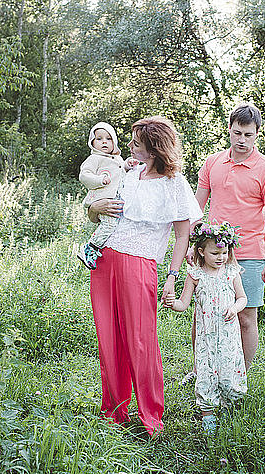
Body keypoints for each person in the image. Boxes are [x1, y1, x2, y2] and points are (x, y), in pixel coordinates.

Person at [88, 116, 203, 437]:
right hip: (105, 259)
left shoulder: (174, 184)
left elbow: (183, 236)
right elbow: (97, 211)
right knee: (109, 338)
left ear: (153, 150)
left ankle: (151, 414)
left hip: (140, 264)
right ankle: (115, 409)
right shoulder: (129, 172)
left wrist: (172, 276)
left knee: (140, 340)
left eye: (136, 143)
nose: (128, 146)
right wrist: (97, 205)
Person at [187, 102, 265, 375]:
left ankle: (240, 374)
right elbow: (197, 207)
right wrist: (194, 245)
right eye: (237, 133)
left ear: (257, 134)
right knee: (203, 314)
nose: (242, 140)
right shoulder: (213, 162)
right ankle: (201, 371)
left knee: (245, 317)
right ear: (229, 130)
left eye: (248, 135)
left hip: (250, 253)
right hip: (212, 250)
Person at [165, 222, 247, 435]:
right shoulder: (195, 275)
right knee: (206, 371)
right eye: (215, 253)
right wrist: (172, 303)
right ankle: (207, 413)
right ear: (201, 251)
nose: (221, 257)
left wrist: (235, 308)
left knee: (229, 367)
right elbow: (183, 304)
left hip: (228, 335)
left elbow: (243, 298)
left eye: (224, 252)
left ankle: (230, 405)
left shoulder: (231, 272)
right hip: (206, 337)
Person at [77, 122, 137, 270]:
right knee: (109, 225)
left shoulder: (116, 160)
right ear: (92, 142)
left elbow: (120, 173)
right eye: (99, 139)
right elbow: (84, 176)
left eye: (108, 139)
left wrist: (127, 166)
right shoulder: (94, 159)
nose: (104, 142)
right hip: (102, 199)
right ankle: (90, 248)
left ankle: (97, 249)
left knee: (112, 225)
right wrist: (99, 180)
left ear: (114, 142)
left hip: (114, 199)